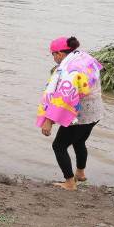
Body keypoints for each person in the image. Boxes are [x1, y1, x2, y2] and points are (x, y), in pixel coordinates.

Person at [37, 36, 104, 191]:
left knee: (59, 146)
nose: (53, 57)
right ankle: (80, 173)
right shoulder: (84, 58)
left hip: (81, 115)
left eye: (53, 54)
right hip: (96, 111)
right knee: (79, 142)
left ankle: (69, 182)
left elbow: (64, 97)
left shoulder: (68, 70)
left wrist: (48, 120)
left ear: (60, 53)